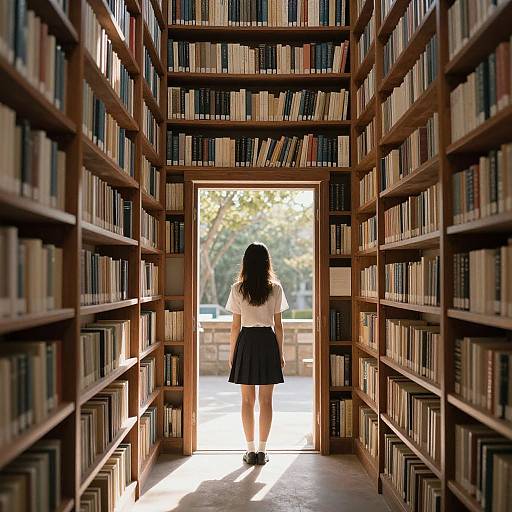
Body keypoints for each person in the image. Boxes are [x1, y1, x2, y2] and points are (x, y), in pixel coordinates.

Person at [226, 242, 288, 466]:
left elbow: (235, 326)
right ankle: (262, 451)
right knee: (267, 401)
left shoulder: (237, 289)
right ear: (266, 263)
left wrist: (232, 353)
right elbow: (279, 326)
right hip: (268, 342)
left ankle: (250, 451)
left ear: (245, 262)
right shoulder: (276, 288)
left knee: (246, 401)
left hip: (246, 342)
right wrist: (280, 353)